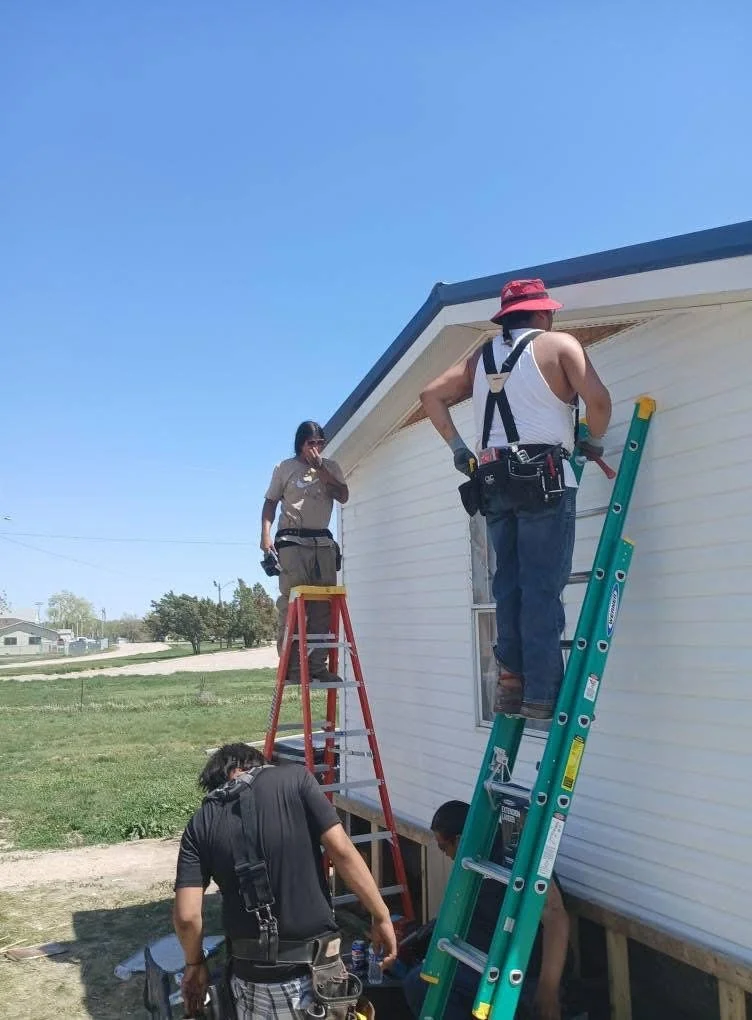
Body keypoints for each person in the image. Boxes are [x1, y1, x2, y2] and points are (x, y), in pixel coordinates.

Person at [420, 280, 611, 720]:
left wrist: (459, 450)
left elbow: (430, 396)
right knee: (542, 586)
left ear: (506, 317)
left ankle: (510, 685)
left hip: (492, 480)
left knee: (508, 584)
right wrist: (592, 442)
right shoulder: (559, 345)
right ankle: (541, 693)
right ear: (543, 314)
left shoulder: (481, 357)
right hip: (543, 475)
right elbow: (598, 402)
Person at [173, 742, 397, 1019]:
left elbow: (186, 917)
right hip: (316, 980)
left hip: (249, 981)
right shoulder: (296, 779)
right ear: (253, 765)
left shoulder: (200, 823)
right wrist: (381, 915)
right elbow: (341, 852)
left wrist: (194, 963)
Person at [402, 800, 571, 1020]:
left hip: (520, 974)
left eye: (444, 847)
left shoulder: (517, 857)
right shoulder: (474, 862)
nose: (445, 855)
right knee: (420, 978)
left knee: (420, 983)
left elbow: (555, 916)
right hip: (483, 962)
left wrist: (548, 989)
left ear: (460, 840)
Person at [261, 421, 349, 683]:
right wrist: (265, 535)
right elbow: (270, 503)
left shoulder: (330, 467)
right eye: (311, 443)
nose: (316, 448)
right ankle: (292, 667)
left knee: (323, 608)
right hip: (292, 541)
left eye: (320, 443)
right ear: (301, 443)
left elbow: (343, 495)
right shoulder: (285, 468)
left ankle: (317, 667)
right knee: (294, 604)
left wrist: (320, 467)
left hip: (321, 542)